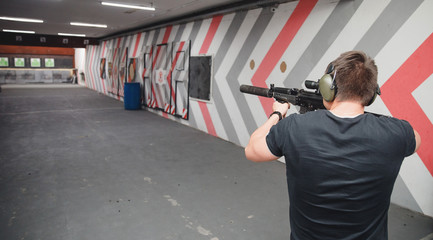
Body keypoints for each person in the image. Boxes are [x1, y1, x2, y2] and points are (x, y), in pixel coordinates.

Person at [245, 50, 421, 240]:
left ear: (328, 87)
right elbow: (416, 139)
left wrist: (277, 114)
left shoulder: (294, 127)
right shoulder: (396, 133)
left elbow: (252, 151)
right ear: (371, 94)